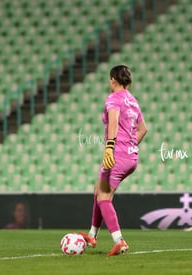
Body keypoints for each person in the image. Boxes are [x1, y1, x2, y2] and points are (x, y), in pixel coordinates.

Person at [80, 65, 148, 256]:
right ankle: (92, 234)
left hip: (116, 154)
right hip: (131, 157)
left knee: (103, 197)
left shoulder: (113, 99)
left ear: (112, 80)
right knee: (99, 191)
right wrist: (131, 145)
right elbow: (143, 129)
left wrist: (110, 148)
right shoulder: (133, 102)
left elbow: (114, 122)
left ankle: (119, 241)